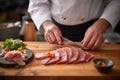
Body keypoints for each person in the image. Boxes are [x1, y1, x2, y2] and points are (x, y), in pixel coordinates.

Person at [28, 0, 120, 50]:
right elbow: (37, 4)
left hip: (94, 32)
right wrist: (47, 25)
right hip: (58, 32)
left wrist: (100, 26)